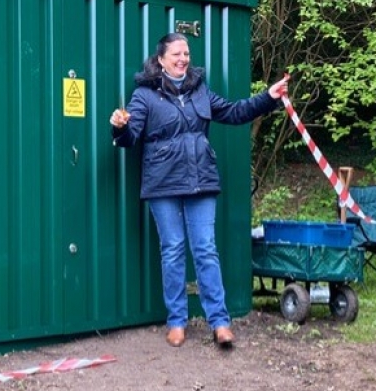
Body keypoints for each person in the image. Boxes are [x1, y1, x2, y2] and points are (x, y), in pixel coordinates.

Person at [109, 32, 289, 347]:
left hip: (200, 181)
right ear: (161, 59)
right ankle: (176, 321)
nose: (183, 59)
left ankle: (219, 322)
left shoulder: (200, 91)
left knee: (205, 249)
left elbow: (235, 112)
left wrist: (269, 97)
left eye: (187, 54)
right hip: (163, 184)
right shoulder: (144, 95)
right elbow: (129, 137)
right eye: (176, 54)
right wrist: (119, 127)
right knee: (174, 249)